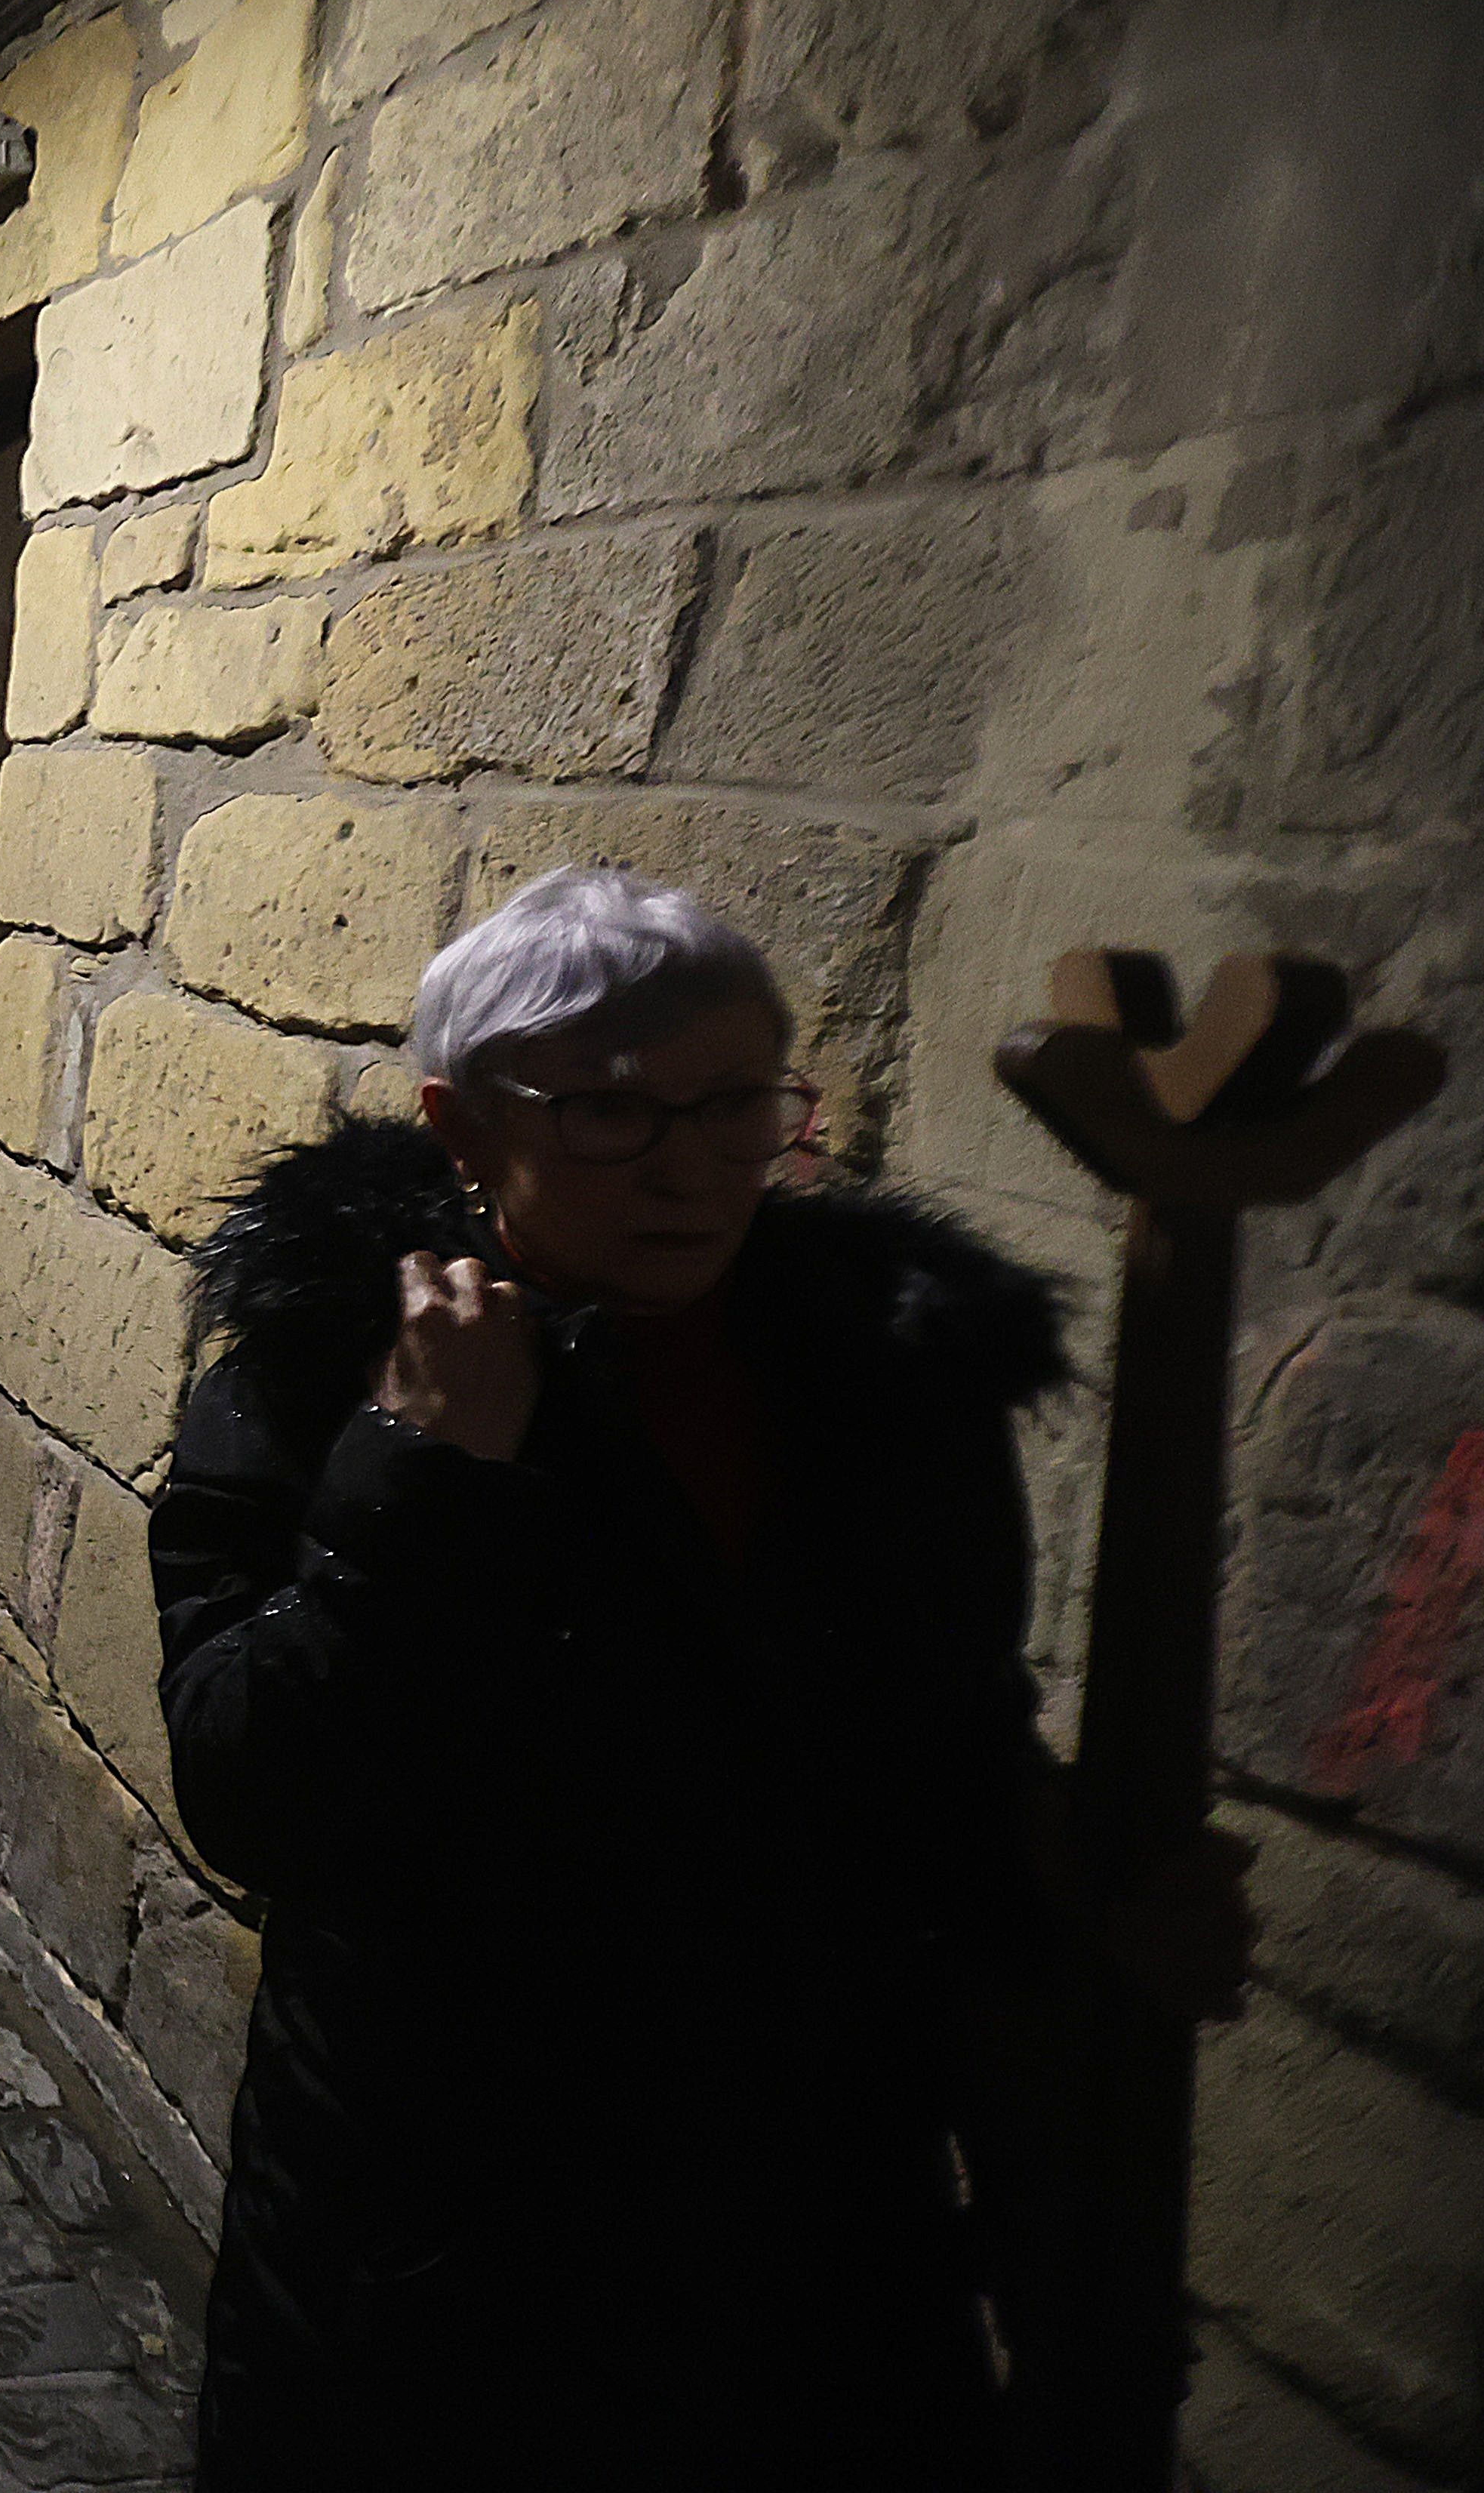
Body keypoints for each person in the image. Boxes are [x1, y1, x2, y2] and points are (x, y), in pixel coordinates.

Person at [152, 864, 1230, 2489]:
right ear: (462, 1122)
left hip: (817, 2219)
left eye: (739, 1105)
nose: (695, 1166)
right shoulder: (323, 1375)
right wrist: (419, 1476)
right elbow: (252, 1786)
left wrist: (1063, 1862)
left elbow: (938, 1731)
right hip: (454, 2231)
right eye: (610, 1111)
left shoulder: (889, 1373)